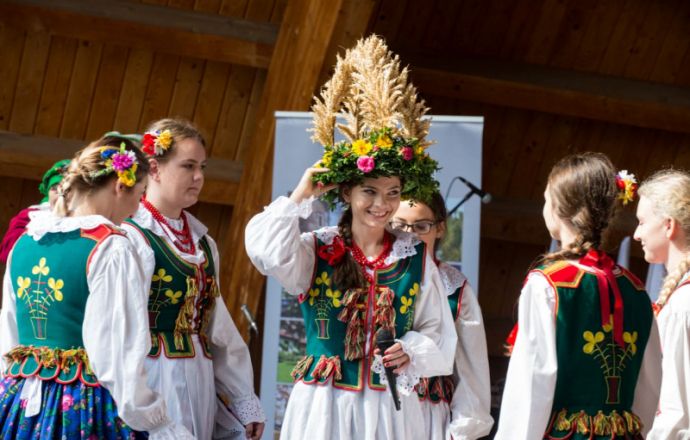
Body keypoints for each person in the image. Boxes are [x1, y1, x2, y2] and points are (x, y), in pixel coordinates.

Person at [245, 35, 456, 439]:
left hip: (391, 413)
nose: (383, 204)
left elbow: (440, 336)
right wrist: (303, 192)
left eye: (393, 192)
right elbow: (265, 252)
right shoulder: (317, 249)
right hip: (325, 409)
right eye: (370, 192)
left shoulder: (414, 258)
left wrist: (410, 349)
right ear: (346, 192)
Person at [0, 137, 193, 438]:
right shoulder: (111, 247)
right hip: (80, 409)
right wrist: (157, 422)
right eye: (140, 195)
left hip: (19, 402)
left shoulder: (24, 243)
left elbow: (9, 336)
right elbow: (115, 357)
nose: (134, 211)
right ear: (120, 186)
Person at [495, 153, 661, 439]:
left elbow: (532, 383)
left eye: (547, 199)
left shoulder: (547, 284)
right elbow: (650, 386)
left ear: (560, 207)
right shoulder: (636, 290)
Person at [121, 118, 265, 440]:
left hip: (198, 379)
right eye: (188, 166)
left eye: (202, 166)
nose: (199, 177)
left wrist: (243, 398)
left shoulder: (203, 243)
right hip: (153, 380)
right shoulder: (132, 237)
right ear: (154, 168)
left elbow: (218, 326)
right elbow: (119, 329)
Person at [392, 192, 493, 439]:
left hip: (427, 418)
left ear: (440, 229)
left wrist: (460, 433)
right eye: (399, 226)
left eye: (421, 226)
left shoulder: (455, 290)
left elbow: (472, 376)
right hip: (374, 411)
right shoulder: (372, 277)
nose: (410, 235)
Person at [634, 169, 690, 439]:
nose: (636, 234)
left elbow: (676, 413)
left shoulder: (682, 306)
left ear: (669, 225)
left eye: (642, 222)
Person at [0, 159, 70, 266]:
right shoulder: (29, 216)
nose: (59, 192)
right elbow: (7, 253)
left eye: (66, 188)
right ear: (48, 193)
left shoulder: (88, 221)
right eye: (54, 187)